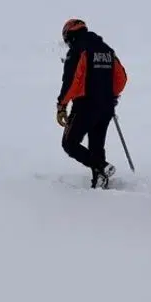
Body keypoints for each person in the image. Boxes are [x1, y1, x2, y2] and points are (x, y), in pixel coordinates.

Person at [56, 19, 127, 188]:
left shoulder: (78, 50)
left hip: (85, 106)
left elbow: (71, 81)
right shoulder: (107, 50)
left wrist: (62, 105)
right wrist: (110, 96)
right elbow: (121, 78)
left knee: (69, 143)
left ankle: (101, 166)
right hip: (107, 106)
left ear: (69, 35)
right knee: (96, 145)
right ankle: (100, 181)